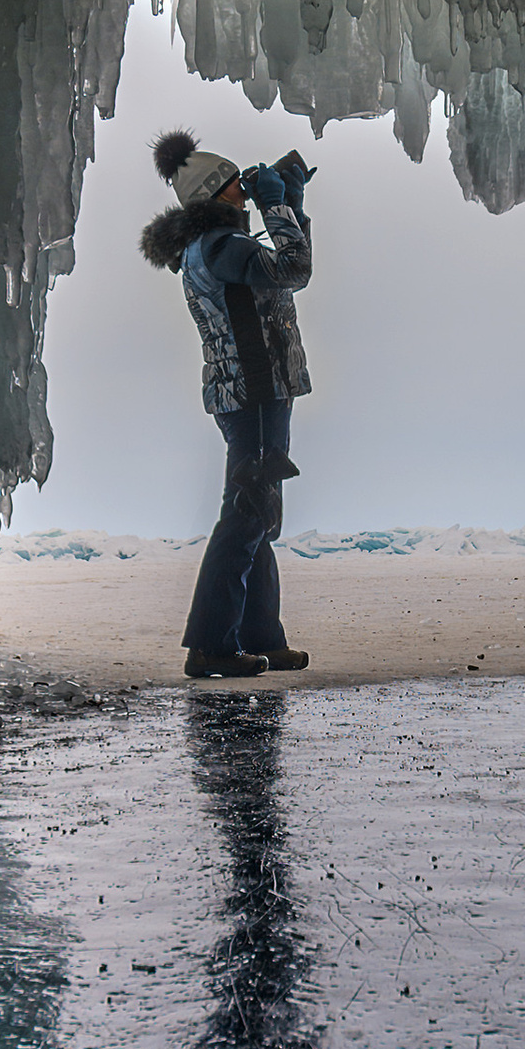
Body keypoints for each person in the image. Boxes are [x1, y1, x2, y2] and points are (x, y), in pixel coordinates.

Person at [141, 128, 317, 681]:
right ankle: (212, 645)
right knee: (245, 516)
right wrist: (277, 205)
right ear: (215, 197)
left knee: (257, 517)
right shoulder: (221, 247)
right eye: (238, 187)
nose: (245, 194)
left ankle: (260, 635)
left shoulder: (211, 248)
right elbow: (294, 270)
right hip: (256, 395)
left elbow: (278, 272)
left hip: (249, 394)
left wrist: (289, 207)